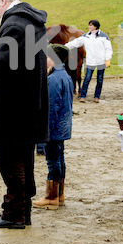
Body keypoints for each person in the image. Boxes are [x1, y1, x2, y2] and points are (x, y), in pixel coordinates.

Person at [0, 0, 49, 229]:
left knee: (9, 159)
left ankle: (14, 213)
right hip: (30, 103)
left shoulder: (14, 24)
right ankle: (23, 212)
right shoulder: (32, 22)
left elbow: (4, 64)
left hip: (15, 106)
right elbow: (17, 59)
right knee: (24, 159)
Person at [32, 44, 73, 210]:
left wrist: (45, 131)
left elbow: (52, 107)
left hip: (54, 128)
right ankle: (59, 195)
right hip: (63, 126)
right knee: (59, 160)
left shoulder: (54, 78)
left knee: (53, 161)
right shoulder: (64, 75)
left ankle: (52, 197)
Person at [65, 20, 112, 103]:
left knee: (100, 79)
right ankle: (83, 96)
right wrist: (64, 47)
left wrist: (107, 58)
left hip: (101, 61)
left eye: (91, 25)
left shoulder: (103, 36)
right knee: (87, 78)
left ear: (96, 26)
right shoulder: (85, 36)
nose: (89, 27)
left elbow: (108, 48)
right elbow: (75, 43)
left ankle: (97, 96)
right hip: (90, 61)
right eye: (89, 25)